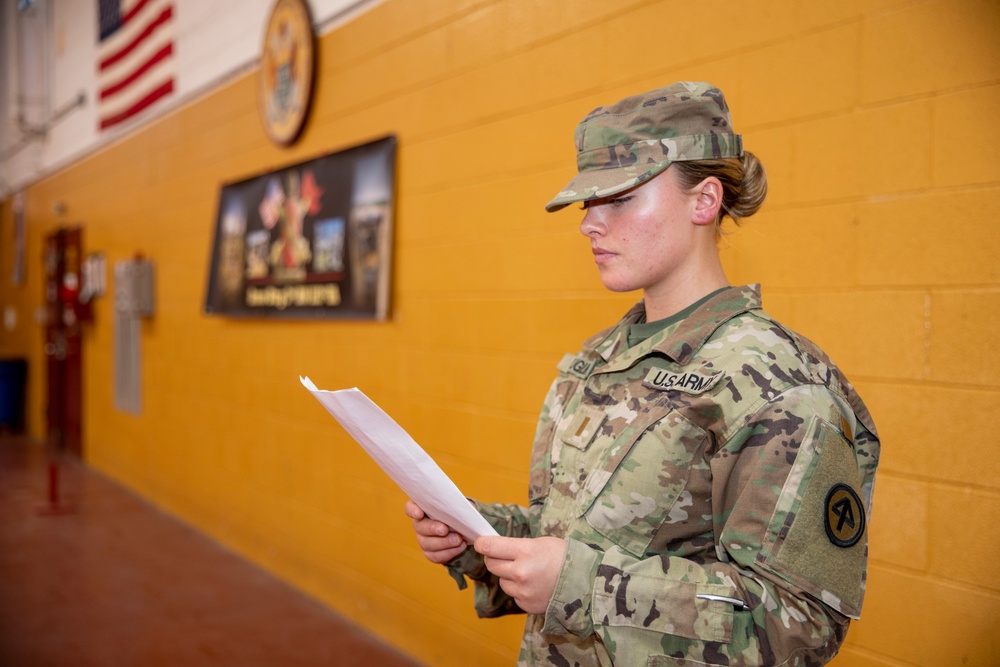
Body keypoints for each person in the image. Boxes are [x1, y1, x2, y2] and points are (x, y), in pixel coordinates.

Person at [405, 81, 880, 666]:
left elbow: (799, 626)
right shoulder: (599, 359)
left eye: (621, 198)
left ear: (704, 201)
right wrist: (480, 536)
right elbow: (573, 535)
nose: (589, 224)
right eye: (587, 203)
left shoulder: (777, 382)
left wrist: (583, 585)